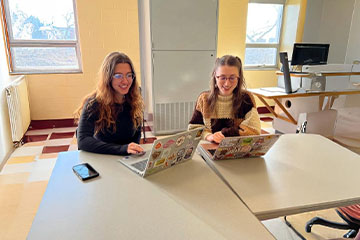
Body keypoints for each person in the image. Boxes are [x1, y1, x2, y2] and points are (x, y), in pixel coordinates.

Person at [75, 52, 144, 155]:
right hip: (103, 156)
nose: (125, 81)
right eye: (118, 76)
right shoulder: (94, 103)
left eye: (129, 75)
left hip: (126, 158)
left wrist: (133, 150)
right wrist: (122, 149)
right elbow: (83, 141)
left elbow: (136, 133)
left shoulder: (134, 98)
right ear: (108, 78)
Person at [188, 55, 261, 143]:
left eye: (232, 78)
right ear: (215, 76)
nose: (227, 84)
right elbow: (193, 129)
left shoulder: (246, 98)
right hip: (209, 145)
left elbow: (254, 130)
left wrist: (224, 134)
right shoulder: (204, 99)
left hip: (236, 147)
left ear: (239, 78)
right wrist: (209, 136)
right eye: (222, 78)